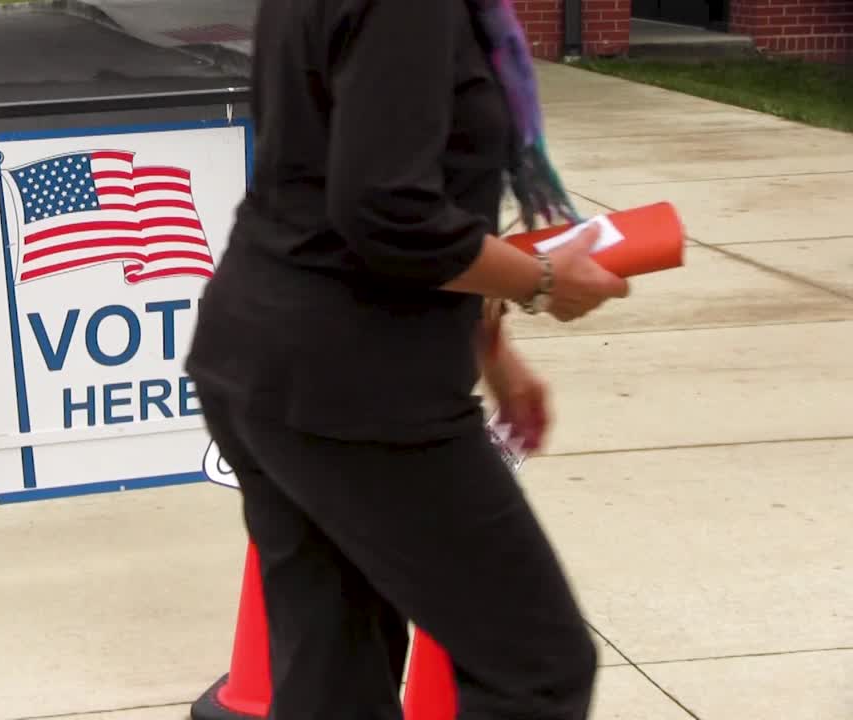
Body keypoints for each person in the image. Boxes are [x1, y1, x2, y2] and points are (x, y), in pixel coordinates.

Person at [184, 0, 631, 718]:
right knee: (536, 667)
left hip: (266, 357)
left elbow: (369, 173)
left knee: (335, 679)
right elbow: (389, 211)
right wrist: (544, 282)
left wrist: (493, 354)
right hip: (357, 384)